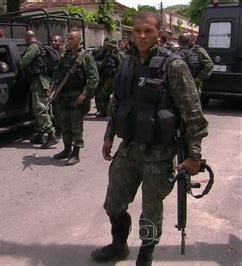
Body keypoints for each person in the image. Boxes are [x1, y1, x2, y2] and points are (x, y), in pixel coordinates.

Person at [91, 11, 208, 265]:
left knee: (150, 213)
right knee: (113, 203)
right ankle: (118, 245)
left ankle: (145, 255)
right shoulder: (126, 63)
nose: (142, 36)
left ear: (160, 34)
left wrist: (194, 157)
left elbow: (194, 116)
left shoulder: (174, 66)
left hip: (159, 154)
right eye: (137, 31)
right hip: (130, 148)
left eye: (148, 31)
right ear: (131, 33)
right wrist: (109, 136)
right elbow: (117, 104)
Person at [50, 30, 99, 165]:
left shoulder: (85, 57)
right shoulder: (65, 55)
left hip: (77, 97)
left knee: (76, 126)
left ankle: (76, 153)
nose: (69, 41)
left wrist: (84, 94)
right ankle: (66, 149)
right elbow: (58, 72)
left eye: (72, 39)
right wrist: (52, 87)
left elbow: (94, 78)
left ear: (79, 39)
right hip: (63, 95)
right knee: (64, 124)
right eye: (68, 38)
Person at [19, 30, 58, 148]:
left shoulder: (34, 47)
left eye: (25, 38)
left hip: (40, 82)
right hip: (39, 81)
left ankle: (51, 135)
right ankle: (40, 134)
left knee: (40, 108)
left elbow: (23, 63)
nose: (24, 40)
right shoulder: (40, 46)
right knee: (36, 109)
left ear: (28, 37)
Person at [95, 39, 124, 118]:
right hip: (109, 78)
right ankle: (103, 111)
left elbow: (122, 66)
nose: (107, 47)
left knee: (117, 96)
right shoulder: (108, 54)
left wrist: (116, 71)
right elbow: (103, 64)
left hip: (116, 78)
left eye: (109, 45)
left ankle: (115, 113)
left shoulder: (119, 54)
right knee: (103, 94)